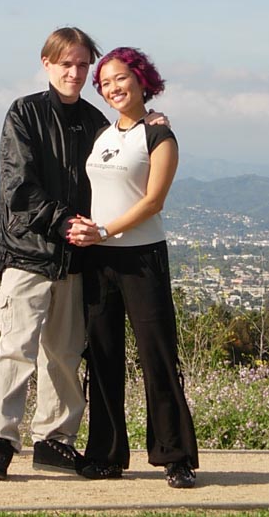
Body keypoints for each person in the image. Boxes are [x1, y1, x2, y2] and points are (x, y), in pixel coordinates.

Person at [0, 26, 109, 480]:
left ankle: (55, 441)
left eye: (82, 64)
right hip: (28, 253)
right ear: (47, 63)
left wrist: (150, 125)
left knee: (66, 356)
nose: (74, 71)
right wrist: (63, 221)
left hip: (75, 258)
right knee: (16, 349)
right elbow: (19, 186)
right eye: (66, 63)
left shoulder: (96, 123)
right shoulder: (24, 113)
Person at [67, 47, 199, 488]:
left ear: (141, 79)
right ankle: (106, 455)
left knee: (157, 356)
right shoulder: (102, 135)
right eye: (104, 83)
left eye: (120, 78)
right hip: (98, 259)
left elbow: (153, 202)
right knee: (102, 357)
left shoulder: (160, 137)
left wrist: (103, 230)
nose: (113, 88)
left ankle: (175, 456)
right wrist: (92, 234)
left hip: (141, 258)